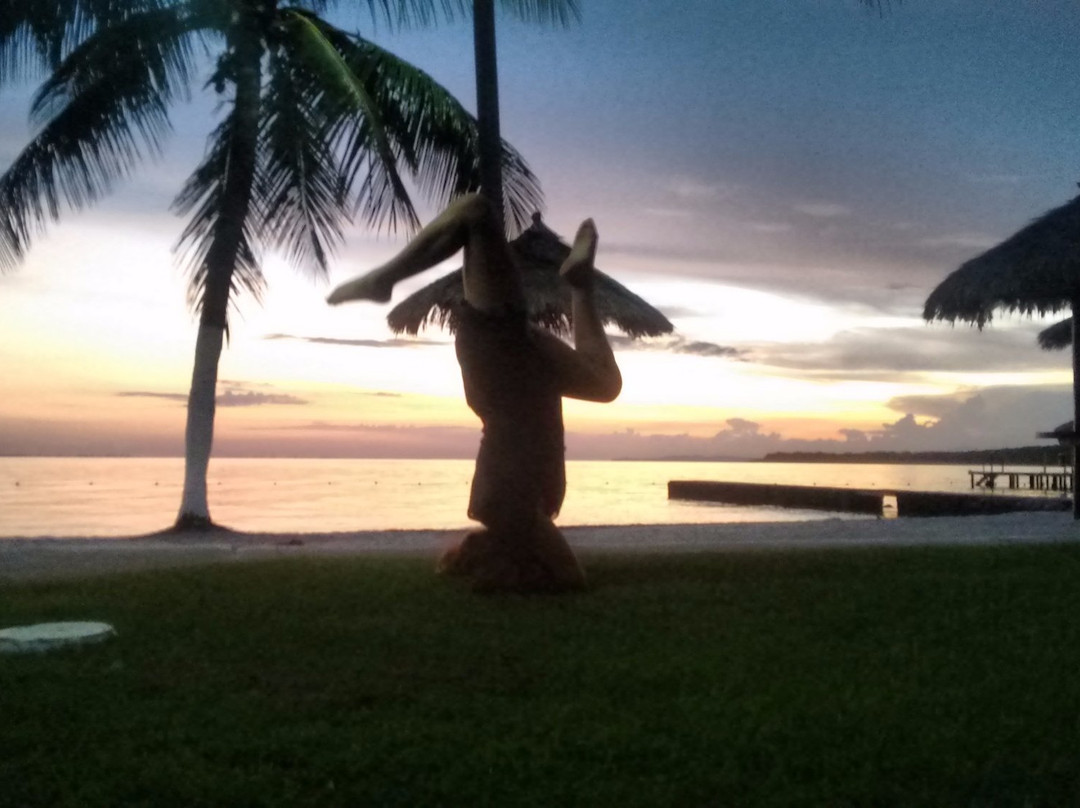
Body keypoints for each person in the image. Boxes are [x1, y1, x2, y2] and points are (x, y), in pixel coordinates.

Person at [327, 194, 621, 592]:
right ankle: (579, 286)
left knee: (477, 213)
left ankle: (383, 280)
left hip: (507, 372)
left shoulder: (505, 509)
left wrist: (535, 574)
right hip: (510, 375)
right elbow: (567, 575)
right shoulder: (514, 510)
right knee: (604, 385)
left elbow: (570, 576)